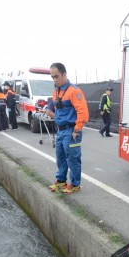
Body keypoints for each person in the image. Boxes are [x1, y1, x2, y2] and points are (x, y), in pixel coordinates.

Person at [46, 62, 89, 194]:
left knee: (73, 158)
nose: (54, 79)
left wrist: (77, 129)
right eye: (52, 77)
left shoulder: (74, 91)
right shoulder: (56, 91)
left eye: (57, 76)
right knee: (60, 157)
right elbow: (54, 105)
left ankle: (75, 184)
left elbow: (83, 112)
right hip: (60, 130)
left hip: (71, 131)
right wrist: (50, 109)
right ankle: (61, 181)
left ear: (64, 74)